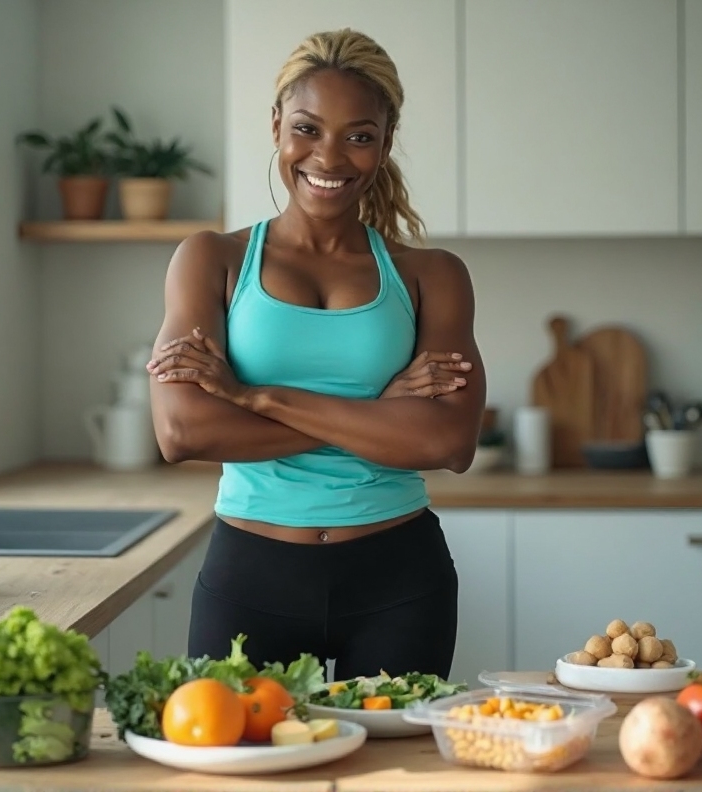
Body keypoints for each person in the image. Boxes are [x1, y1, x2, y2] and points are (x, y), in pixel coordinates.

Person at [146, 28, 486, 681]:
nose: (328, 156)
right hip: (250, 574)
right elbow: (183, 430)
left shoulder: (432, 276)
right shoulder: (211, 260)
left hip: (399, 579)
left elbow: (448, 443)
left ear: (385, 144)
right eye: (307, 128)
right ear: (277, 127)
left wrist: (254, 396)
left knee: (394, 782)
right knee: (239, 779)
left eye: (359, 135)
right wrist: (379, 416)